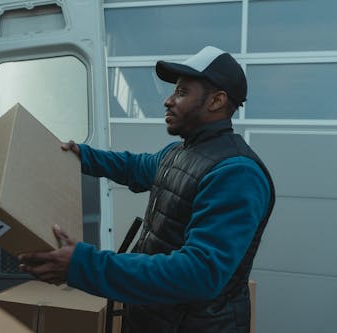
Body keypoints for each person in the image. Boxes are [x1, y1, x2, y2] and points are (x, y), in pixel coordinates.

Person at [18, 46, 275, 332]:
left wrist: (85, 265)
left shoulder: (236, 173)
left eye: (181, 92)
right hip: (152, 318)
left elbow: (198, 274)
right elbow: (135, 168)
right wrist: (84, 155)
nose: (167, 101)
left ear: (216, 101)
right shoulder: (178, 153)